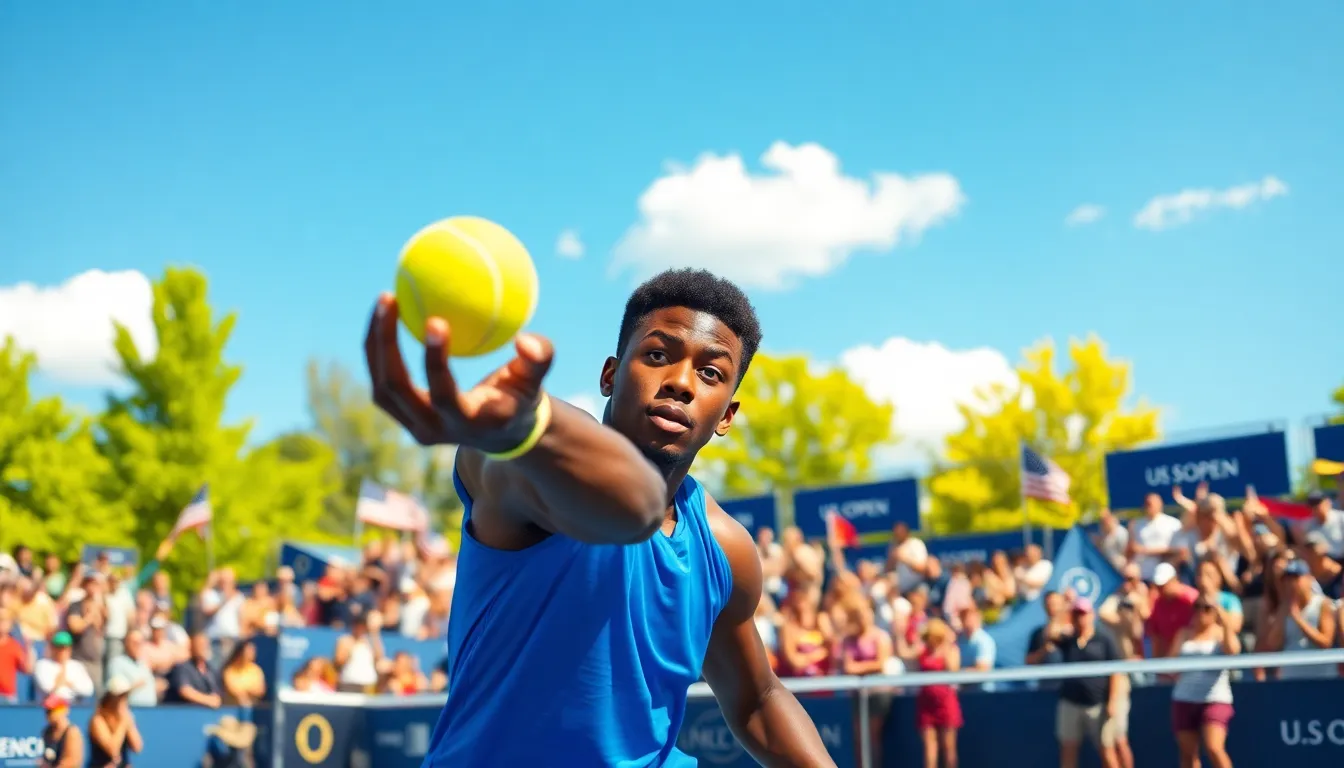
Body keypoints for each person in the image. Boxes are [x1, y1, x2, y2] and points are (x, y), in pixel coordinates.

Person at [365, 269, 833, 766]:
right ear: (610, 374)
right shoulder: (537, 468)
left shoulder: (725, 549)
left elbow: (757, 699)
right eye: (657, 355)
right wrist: (520, 426)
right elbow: (612, 493)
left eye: (710, 373)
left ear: (726, 416)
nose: (679, 382)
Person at [1052, 597, 1123, 768]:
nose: (1080, 618)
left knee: (1107, 751)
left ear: (1091, 615)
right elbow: (1051, 634)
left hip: (1098, 704)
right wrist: (1064, 608)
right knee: (1068, 749)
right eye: (1076, 614)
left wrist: (1112, 701)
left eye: (1083, 614)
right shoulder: (1068, 639)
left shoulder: (1104, 638)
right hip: (1070, 702)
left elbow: (1116, 672)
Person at [1169, 595, 1239, 768]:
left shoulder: (1220, 634)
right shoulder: (1184, 633)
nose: (1201, 612)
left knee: (1214, 748)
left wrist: (1226, 625)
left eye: (1207, 608)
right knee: (1187, 754)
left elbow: (1233, 651)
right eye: (1198, 607)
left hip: (1215, 699)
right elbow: (1170, 665)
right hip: (1184, 698)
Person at [913, 618, 961, 768]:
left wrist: (946, 644)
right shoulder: (922, 651)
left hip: (946, 703)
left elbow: (953, 669)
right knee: (929, 748)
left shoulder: (951, 650)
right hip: (926, 703)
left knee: (949, 748)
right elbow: (906, 653)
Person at [87, 676, 143, 767]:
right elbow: (113, 750)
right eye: (120, 696)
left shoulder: (126, 717)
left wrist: (129, 723)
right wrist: (123, 723)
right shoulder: (97, 720)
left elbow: (137, 747)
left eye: (125, 696)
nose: (123, 700)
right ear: (110, 698)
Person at [38, 693, 84, 768]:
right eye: (47, 711)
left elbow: (73, 762)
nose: (48, 714)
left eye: (52, 710)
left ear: (64, 710)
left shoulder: (72, 732)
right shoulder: (47, 732)